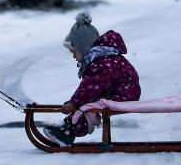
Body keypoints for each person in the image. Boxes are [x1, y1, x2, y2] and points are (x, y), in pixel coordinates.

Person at [42, 13, 141, 146]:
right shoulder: (103, 58)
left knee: (87, 108)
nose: (73, 57)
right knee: (87, 103)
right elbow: (90, 88)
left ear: (83, 48)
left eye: (74, 52)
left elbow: (89, 88)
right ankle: (68, 128)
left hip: (123, 95)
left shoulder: (101, 63)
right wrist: (75, 101)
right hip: (121, 93)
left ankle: (68, 132)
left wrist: (75, 103)